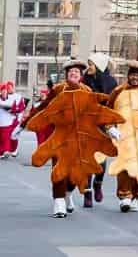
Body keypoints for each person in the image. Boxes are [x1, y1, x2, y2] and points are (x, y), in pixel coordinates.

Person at [27, 56, 123, 218]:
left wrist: (110, 127)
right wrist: (24, 122)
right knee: (58, 169)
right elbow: (43, 108)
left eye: (77, 71)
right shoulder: (58, 89)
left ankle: (68, 193)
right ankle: (58, 202)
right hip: (60, 137)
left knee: (75, 173)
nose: (74, 74)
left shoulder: (86, 90)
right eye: (71, 71)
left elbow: (96, 111)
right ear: (66, 74)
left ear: (81, 75)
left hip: (80, 138)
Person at [106, 59, 138, 213]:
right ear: (128, 75)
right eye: (132, 74)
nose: (135, 78)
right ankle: (125, 196)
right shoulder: (118, 91)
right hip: (124, 135)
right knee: (124, 166)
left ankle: (136, 195)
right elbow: (108, 111)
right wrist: (110, 128)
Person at [80, 52, 117, 205]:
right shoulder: (84, 81)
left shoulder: (111, 83)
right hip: (86, 123)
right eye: (88, 64)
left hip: (103, 124)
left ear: (99, 66)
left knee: (100, 158)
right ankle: (87, 192)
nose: (88, 67)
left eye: (91, 64)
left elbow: (114, 104)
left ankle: (98, 184)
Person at [0, 81, 24, 159]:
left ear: (12, 88)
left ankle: (12, 149)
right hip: (7, 118)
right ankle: (5, 150)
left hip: (15, 119)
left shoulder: (18, 97)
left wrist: (14, 111)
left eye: (9, 88)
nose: (8, 90)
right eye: (7, 88)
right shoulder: (5, 97)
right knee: (5, 136)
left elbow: (21, 108)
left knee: (12, 135)